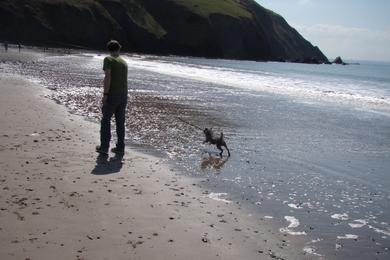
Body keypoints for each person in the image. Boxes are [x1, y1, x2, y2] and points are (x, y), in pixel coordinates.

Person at [96, 40, 128, 155]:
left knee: (106, 121)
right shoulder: (123, 62)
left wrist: (105, 94)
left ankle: (104, 147)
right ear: (119, 48)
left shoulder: (108, 59)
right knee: (120, 122)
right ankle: (120, 147)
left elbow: (108, 77)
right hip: (124, 95)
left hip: (113, 95)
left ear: (109, 49)